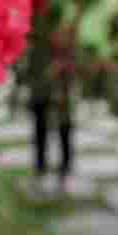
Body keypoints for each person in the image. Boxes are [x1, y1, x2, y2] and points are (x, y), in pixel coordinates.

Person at [27, 23, 78, 192]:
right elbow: (32, 78)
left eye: (64, 35)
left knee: (65, 135)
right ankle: (40, 169)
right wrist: (51, 73)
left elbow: (77, 78)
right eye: (58, 34)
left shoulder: (72, 55)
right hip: (43, 100)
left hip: (64, 103)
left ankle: (65, 171)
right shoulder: (41, 54)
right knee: (41, 134)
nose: (60, 38)